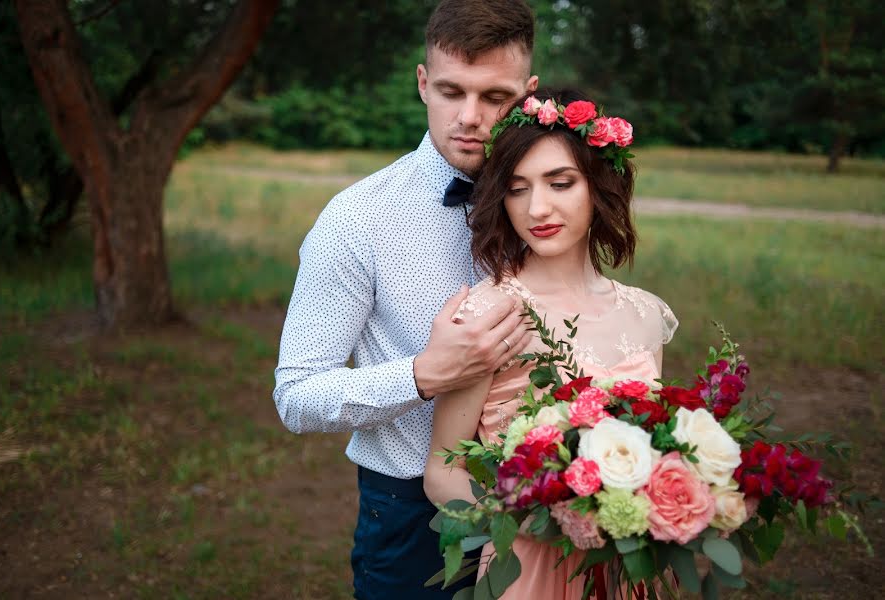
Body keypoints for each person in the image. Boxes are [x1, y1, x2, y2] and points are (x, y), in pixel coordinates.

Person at [272, 1, 539, 598]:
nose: (470, 117)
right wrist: (423, 375)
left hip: (547, 511)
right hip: (410, 515)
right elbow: (295, 396)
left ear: (529, 94)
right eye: (451, 91)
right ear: (423, 84)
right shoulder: (357, 219)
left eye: (495, 97)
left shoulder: (554, 207)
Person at [423, 90, 679, 599]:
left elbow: (657, 445)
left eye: (560, 183)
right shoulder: (487, 313)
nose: (537, 208)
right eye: (518, 190)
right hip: (531, 566)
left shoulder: (647, 315)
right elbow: (443, 470)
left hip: (630, 565)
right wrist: (540, 521)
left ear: (598, 187)